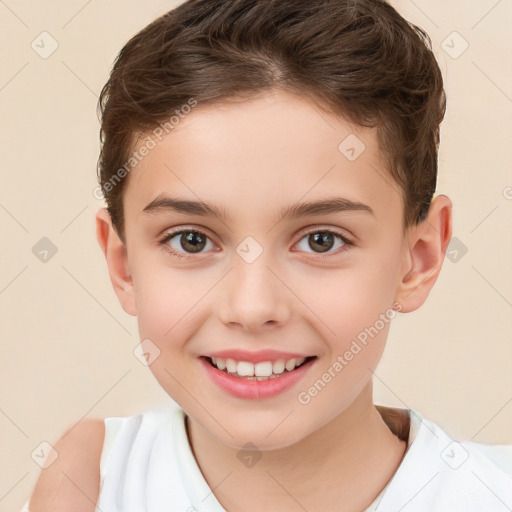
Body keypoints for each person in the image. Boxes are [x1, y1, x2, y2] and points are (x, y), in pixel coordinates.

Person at [24, 0, 512, 510]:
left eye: (321, 240)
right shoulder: (88, 480)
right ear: (123, 266)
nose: (252, 308)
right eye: (191, 240)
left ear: (419, 258)